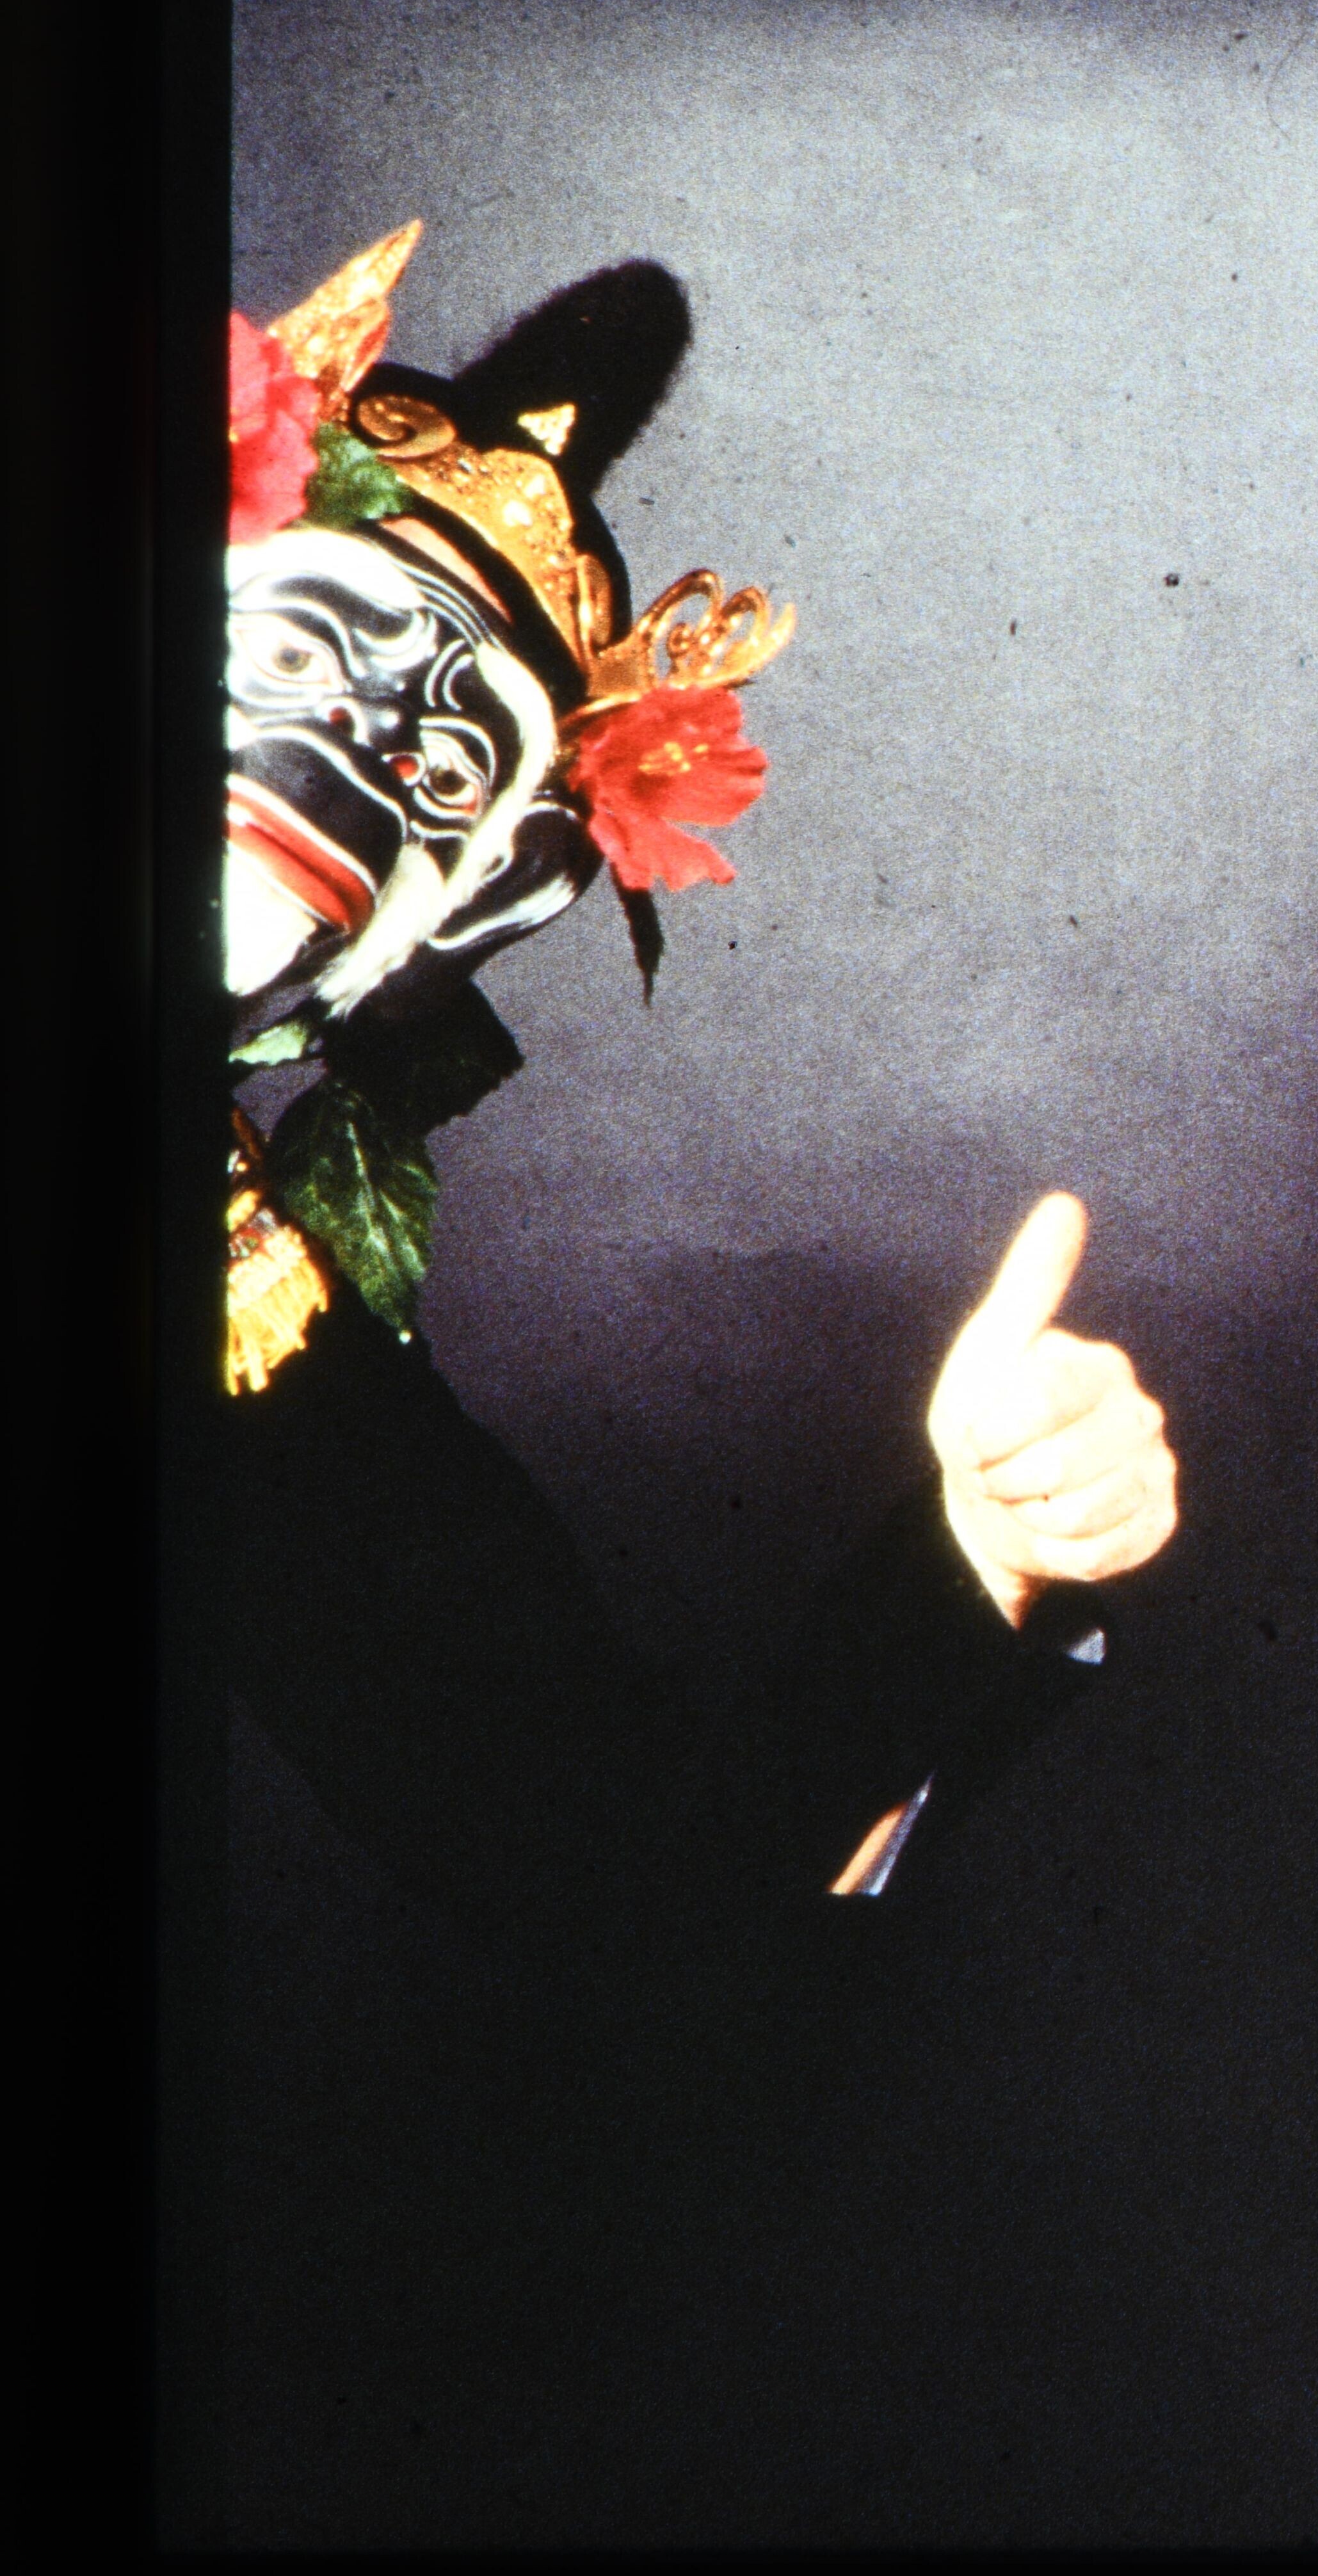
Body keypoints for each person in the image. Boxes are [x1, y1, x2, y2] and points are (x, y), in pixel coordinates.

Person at [218, 223, 1181, 2004]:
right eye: (308, 654)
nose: (363, 765)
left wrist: (984, 1553)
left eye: (446, 766)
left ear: (461, 913)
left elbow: (625, 1885)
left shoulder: (241, 1320)